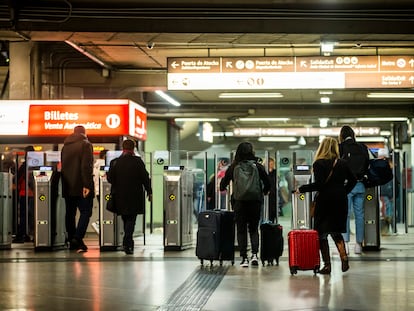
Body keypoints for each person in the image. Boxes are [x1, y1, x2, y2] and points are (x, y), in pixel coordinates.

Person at [297, 137, 357, 274]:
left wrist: (302, 189)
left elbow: (319, 184)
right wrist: (343, 191)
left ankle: (327, 265)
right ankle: (344, 258)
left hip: (325, 201)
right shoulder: (343, 163)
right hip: (340, 200)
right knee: (336, 231)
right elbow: (353, 180)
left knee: (322, 234)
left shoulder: (319, 163)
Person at [220, 141, 271, 267]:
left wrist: (225, 188)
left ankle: (244, 258)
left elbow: (223, 184)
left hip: (239, 202)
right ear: (251, 152)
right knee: (253, 229)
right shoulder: (258, 166)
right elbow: (268, 183)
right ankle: (254, 255)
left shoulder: (233, 167)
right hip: (255, 202)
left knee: (241, 230)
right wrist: (264, 192)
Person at [107, 139, 152, 255]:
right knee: (131, 219)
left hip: (119, 195)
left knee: (125, 218)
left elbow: (110, 179)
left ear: (123, 148)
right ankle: (128, 242)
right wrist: (149, 191)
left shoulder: (114, 162)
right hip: (134, 195)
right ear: (134, 148)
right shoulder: (138, 161)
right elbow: (145, 178)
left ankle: (127, 241)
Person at [61, 125, 95, 253]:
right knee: (86, 211)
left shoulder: (65, 146)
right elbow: (86, 166)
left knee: (70, 213)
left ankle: (72, 240)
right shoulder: (85, 144)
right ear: (84, 133)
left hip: (68, 185)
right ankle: (77, 237)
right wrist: (87, 185)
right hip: (81, 185)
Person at [339, 125, 370, 254]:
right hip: (360, 184)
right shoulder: (362, 147)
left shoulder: (340, 147)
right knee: (360, 215)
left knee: (345, 214)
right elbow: (368, 163)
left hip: (346, 186)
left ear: (342, 135)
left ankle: (345, 244)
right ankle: (358, 244)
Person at [13, 145, 35, 243]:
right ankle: (32, 234)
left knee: (23, 216)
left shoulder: (25, 165)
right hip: (35, 194)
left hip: (24, 194)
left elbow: (17, 178)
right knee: (32, 216)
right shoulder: (36, 164)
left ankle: (22, 235)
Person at [378, 148, 393, 234]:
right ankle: (386, 229)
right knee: (386, 210)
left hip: (384, 193)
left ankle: (385, 229)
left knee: (386, 210)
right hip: (385, 193)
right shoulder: (390, 167)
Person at [267, 157, 278, 222]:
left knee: (273, 210)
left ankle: (273, 222)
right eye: (271, 164)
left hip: (274, 194)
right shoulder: (264, 172)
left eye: (273, 164)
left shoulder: (275, 172)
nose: (272, 165)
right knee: (268, 210)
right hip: (267, 194)